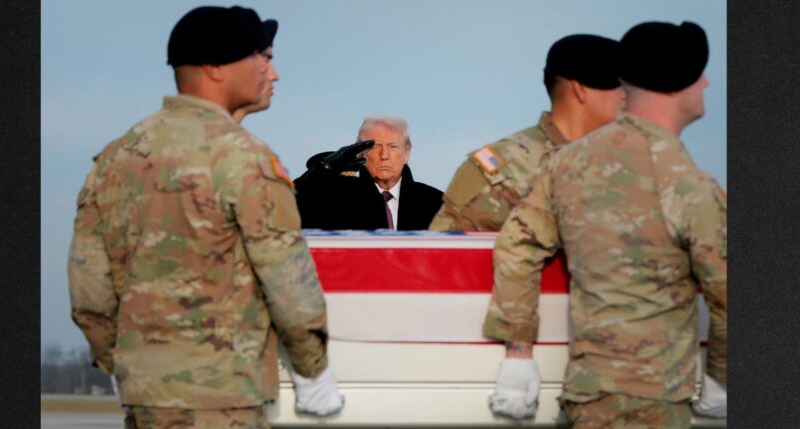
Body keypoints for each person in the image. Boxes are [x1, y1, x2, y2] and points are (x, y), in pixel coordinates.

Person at [67, 6, 343, 428]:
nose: (272, 72)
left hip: (145, 397)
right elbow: (287, 278)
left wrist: (123, 363)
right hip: (223, 398)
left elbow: (89, 287)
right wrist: (313, 370)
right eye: (260, 58)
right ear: (216, 67)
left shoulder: (115, 157)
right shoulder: (243, 157)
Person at [483, 21, 726, 428]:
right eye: (695, 73)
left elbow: (516, 248)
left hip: (584, 395)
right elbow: (726, 293)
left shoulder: (567, 163)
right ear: (672, 85)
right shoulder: (687, 184)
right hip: (653, 405)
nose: (704, 82)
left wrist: (519, 356)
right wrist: (721, 376)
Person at [429, 34, 625, 231]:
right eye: (621, 86)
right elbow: (443, 256)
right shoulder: (500, 172)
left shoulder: (629, 162)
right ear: (580, 89)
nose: (627, 97)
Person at [295, 116, 443, 230]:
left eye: (392, 146)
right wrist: (325, 169)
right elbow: (286, 204)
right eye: (375, 146)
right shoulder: (337, 200)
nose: (384, 155)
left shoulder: (436, 203)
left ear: (407, 153)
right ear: (360, 154)